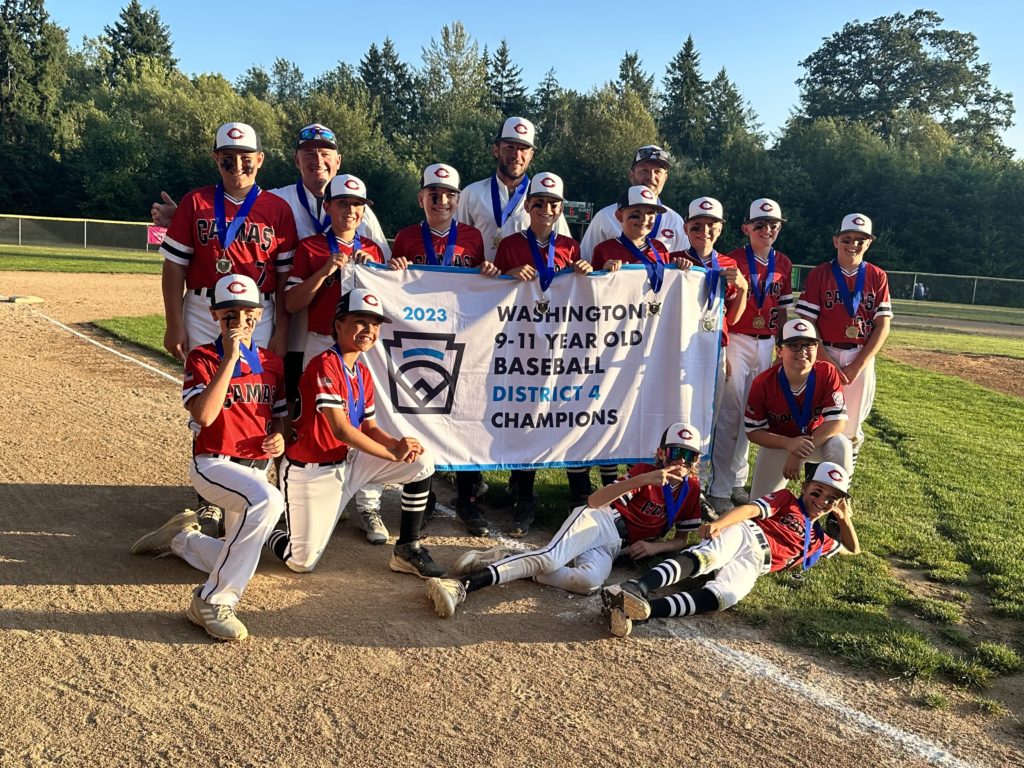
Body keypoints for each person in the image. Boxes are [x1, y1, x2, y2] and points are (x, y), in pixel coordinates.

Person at [130, 274, 288, 642]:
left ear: (260, 314)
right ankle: (211, 600)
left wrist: (279, 435)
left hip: (255, 467)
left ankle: (182, 540)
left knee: (239, 554)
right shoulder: (203, 357)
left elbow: (277, 414)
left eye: (248, 312)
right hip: (214, 465)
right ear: (215, 315)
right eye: (230, 314)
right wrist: (230, 359)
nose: (240, 320)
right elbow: (203, 415)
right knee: (269, 501)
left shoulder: (271, 362)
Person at [159, 122, 298, 538]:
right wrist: (174, 320)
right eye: (227, 158)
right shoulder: (196, 202)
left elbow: (285, 275)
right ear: (216, 159)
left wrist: (281, 331)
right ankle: (210, 501)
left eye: (244, 158)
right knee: (207, 395)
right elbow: (174, 266)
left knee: (257, 394)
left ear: (259, 160)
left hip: (261, 310)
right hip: (204, 307)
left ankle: (254, 482)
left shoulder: (276, 208)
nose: (237, 165)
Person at [422, 423, 705, 618]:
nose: (680, 462)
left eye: (689, 456)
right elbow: (594, 502)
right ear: (661, 453)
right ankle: (463, 586)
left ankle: (507, 560)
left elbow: (683, 539)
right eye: (675, 453)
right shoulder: (645, 472)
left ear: (697, 461)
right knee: (548, 559)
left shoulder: (691, 489)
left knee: (588, 582)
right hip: (600, 520)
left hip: (615, 545)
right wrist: (642, 479)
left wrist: (655, 548)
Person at [265, 288, 442, 577]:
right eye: (360, 321)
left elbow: (369, 427)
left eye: (374, 324)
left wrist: (398, 445)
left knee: (421, 461)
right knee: (301, 562)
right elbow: (341, 429)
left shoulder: (361, 371)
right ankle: (265, 528)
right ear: (338, 325)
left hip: (348, 463)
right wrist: (390, 452)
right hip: (312, 472)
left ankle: (408, 548)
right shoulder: (324, 364)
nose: (368, 330)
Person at [602, 461, 860, 638]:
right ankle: (638, 588)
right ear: (804, 487)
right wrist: (719, 524)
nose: (822, 501)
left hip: (758, 563)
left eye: (831, 499)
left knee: (724, 597)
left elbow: (853, 549)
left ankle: (640, 611)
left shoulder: (818, 539)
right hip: (746, 533)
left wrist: (844, 518)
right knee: (707, 556)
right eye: (817, 492)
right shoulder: (786, 500)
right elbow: (750, 510)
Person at [493, 171, 594, 536]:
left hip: (563, 346)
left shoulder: (570, 246)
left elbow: (582, 295)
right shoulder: (510, 243)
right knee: (526, 417)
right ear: (529, 206)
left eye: (553, 204)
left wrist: (584, 271)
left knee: (567, 414)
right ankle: (523, 498)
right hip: (523, 345)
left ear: (560, 208)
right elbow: (492, 288)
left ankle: (579, 497)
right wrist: (507, 274)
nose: (546, 209)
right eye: (539, 203)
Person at [709, 198, 794, 509]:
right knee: (729, 415)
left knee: (753, 415)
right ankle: (718, 488)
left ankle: (737, 482)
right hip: (739, 339)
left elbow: (784, 310)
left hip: (768, 342)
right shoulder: (730, 260)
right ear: (746, 228)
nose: (767, 229)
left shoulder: (783, 262)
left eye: (773, 225)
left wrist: (782, 346)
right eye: (759, 224)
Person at [795, 214, 892, 470]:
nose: (854, 244)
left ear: (869, 243)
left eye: (861, 240)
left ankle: (840, 491)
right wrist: (827, 361)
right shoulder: (820, 274)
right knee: (817, 421)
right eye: (847, 238)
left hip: (860, 356)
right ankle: (814, 484)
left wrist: (857, 365)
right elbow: (807, 323)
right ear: (836, 240)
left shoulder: (877, 276)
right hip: (823, 352)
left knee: (852, 426)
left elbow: (882, 325)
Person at [675, 197, 748, 510]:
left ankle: (698, 486)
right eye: (697, 226)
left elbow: (736, 317)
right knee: (678, 412)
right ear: (686, 227)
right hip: (676, 350)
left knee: (710, 418)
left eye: (711, 226)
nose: (704, 231)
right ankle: (674, 479)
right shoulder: (674, 258)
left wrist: (743, 289)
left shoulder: (729, 266)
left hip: (713, 348)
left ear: (720, 229)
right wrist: (673, 272)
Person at [744, 318, 852, 498]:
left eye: (809, 345)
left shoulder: (827, 372)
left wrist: (800, 453)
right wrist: (789, 444)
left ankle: (836, 506)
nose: (802, 351)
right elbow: (753, 432)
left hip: (816, 441)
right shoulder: (763, 383)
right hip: (779, 445)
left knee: (841, 445)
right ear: (779, 350)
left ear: (817, 349)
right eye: (794, 345)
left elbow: (837, 423)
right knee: (761, 509)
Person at [456, 116, 569, 262]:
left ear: (531, 156)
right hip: (480, 282)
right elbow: (455, 242)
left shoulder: (544, 198)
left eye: (523, 149)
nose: (517, 155)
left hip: (525, 283)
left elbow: (563, 248)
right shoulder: (471, 193)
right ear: (496, 150)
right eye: (510, 147)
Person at [580, 145, 689, 262]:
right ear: (631, 175)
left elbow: (682, 272)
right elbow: (585, 264)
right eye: (644, 170)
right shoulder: (605, 217)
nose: (651, 177)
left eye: (657, 171)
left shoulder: (675, 221)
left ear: (665, 178)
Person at [390, 163, 497, 275]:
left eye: (450, 195)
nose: (442, 201)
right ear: (421, 199)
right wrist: (395, 266)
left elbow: (478, 281)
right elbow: (393, 282)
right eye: (434, 195)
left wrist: (485, 269)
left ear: (458, 201)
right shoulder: (405, 237)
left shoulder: (473, 235)